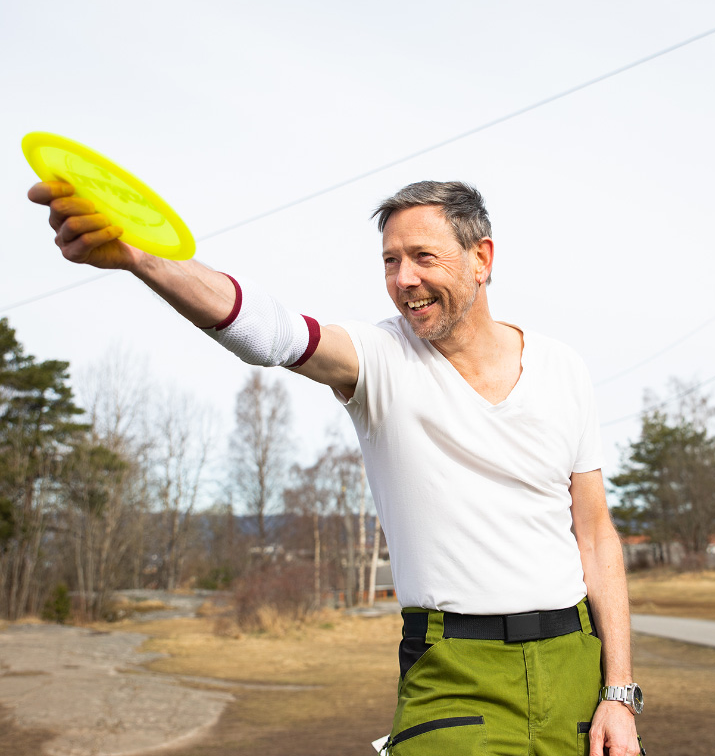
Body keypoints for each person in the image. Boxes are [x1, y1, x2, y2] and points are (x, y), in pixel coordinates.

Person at [29, 178, 644, 756]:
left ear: (481, 258)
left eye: (423, 257)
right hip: (454, 672)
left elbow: (595, 537)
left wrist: (619, 694)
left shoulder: (563, 368)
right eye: (389, 261)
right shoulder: (379, 358)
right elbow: (273, 334)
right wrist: (144, 257)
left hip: (574, 663)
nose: (405, 280)